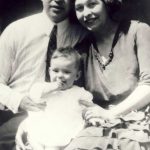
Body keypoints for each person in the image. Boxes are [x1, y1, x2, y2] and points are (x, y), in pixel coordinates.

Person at [0, 0, 88, 149]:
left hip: (63, 116)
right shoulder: (16, 30)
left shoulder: (82, 35)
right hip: (16, 112)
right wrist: (19, 101)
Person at [63, 0, 150, 150]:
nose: (86, 13)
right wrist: (31, 124)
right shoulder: (80, 51)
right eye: (79, 8)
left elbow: (149, 86)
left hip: (139, 121)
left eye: (92, 4)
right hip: (98, 126)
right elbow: (68, 96)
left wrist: (111, 113)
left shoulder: (138, 31)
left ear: (107, 4)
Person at [16, 47, 93, 150]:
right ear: (49, 71)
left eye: (66, 72)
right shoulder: (43, 88)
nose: (60, 75)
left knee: (53, 147)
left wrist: (92, 116)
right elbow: (34, 93)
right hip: (40, 128)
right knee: (34, 143)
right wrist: (53, 87)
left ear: (77, 75)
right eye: (55, 71)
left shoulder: (78, 92)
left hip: (62, 130)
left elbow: (89, 106)